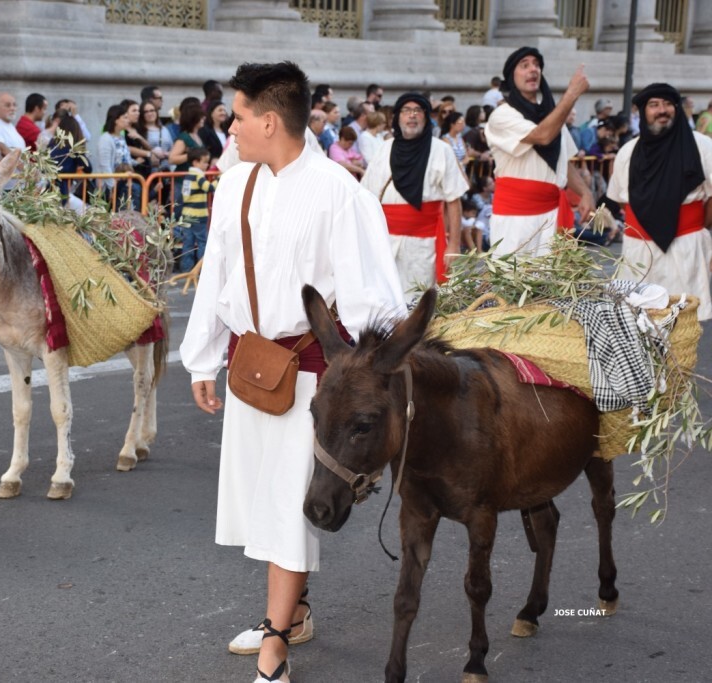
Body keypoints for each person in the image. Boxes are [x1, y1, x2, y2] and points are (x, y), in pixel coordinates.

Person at [180, 61, 404, 683]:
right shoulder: (234, 185)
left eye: (239, 116)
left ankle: (276, 644)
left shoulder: (340, 193)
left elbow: (371, 299)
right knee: (262, 499)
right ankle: (295, 612)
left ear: (270, 121)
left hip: (310, 379)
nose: (230, 127)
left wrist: (385, 377)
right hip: (250, 365)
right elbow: (217, 277)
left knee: (286, 506)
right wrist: (201, 357)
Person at [606, 83, 712, 322]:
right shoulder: (627, 152)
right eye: (654, 105)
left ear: (677, 108)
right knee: (636, 320)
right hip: (638, 251)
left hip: (686, 248)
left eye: (667, 104)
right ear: (643, 112)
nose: (662, 110)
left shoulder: (702, 146)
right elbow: (622, 200)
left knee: (682, 323)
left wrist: (696, 227)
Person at [485, 47, 594, 256]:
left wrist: (585, 192)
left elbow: (561, 163)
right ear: (511, 76)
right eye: (524, 65)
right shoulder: (502, 115)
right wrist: (571, 94)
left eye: (536, 65)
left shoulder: (553, 116)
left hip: (552, 214)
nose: (533, 69)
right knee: (514, 275)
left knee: (552, 276)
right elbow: (543, 136)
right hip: (516, 218)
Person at [362, 92, 467, 301]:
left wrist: (454, 245)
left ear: (426, 117)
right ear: (397, 117)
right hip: (385, 241)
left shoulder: (441, 150)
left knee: (418, 302)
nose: (412, 115)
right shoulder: (384, 149)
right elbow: (366, 196)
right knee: (384, 300)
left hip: (423, 246)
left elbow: (454, 201)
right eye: (406, 110)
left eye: (418, 111)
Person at [179, 147, 218, 272]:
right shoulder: (198, 176)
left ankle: (186, 269)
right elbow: (209, 188)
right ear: (195, 162)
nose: (207, 165)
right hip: (199, 215)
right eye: (205, 162)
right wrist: (219, 179)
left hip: (186, 214)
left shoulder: (188, 176)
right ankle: (202, 270)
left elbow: (184, 195)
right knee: (202, 242)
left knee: (188, 243)